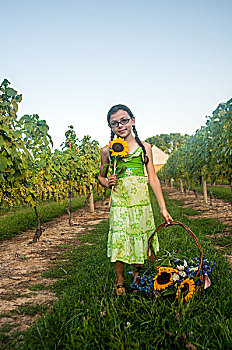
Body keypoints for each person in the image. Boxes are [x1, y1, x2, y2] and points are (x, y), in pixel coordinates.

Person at [98, 104, 173, 295]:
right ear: (110, 127)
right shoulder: (107, 151)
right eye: (115, 123)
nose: (120, 126)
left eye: (124, 120)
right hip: (121, 202)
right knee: (119, 237)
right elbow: (101, 176)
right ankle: (120, 280)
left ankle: (137, 276)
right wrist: (108, 182)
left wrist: (163, 209)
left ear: (133, 120)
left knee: (140, 236)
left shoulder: (144, 148)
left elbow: (153, 179)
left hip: (141, 202)